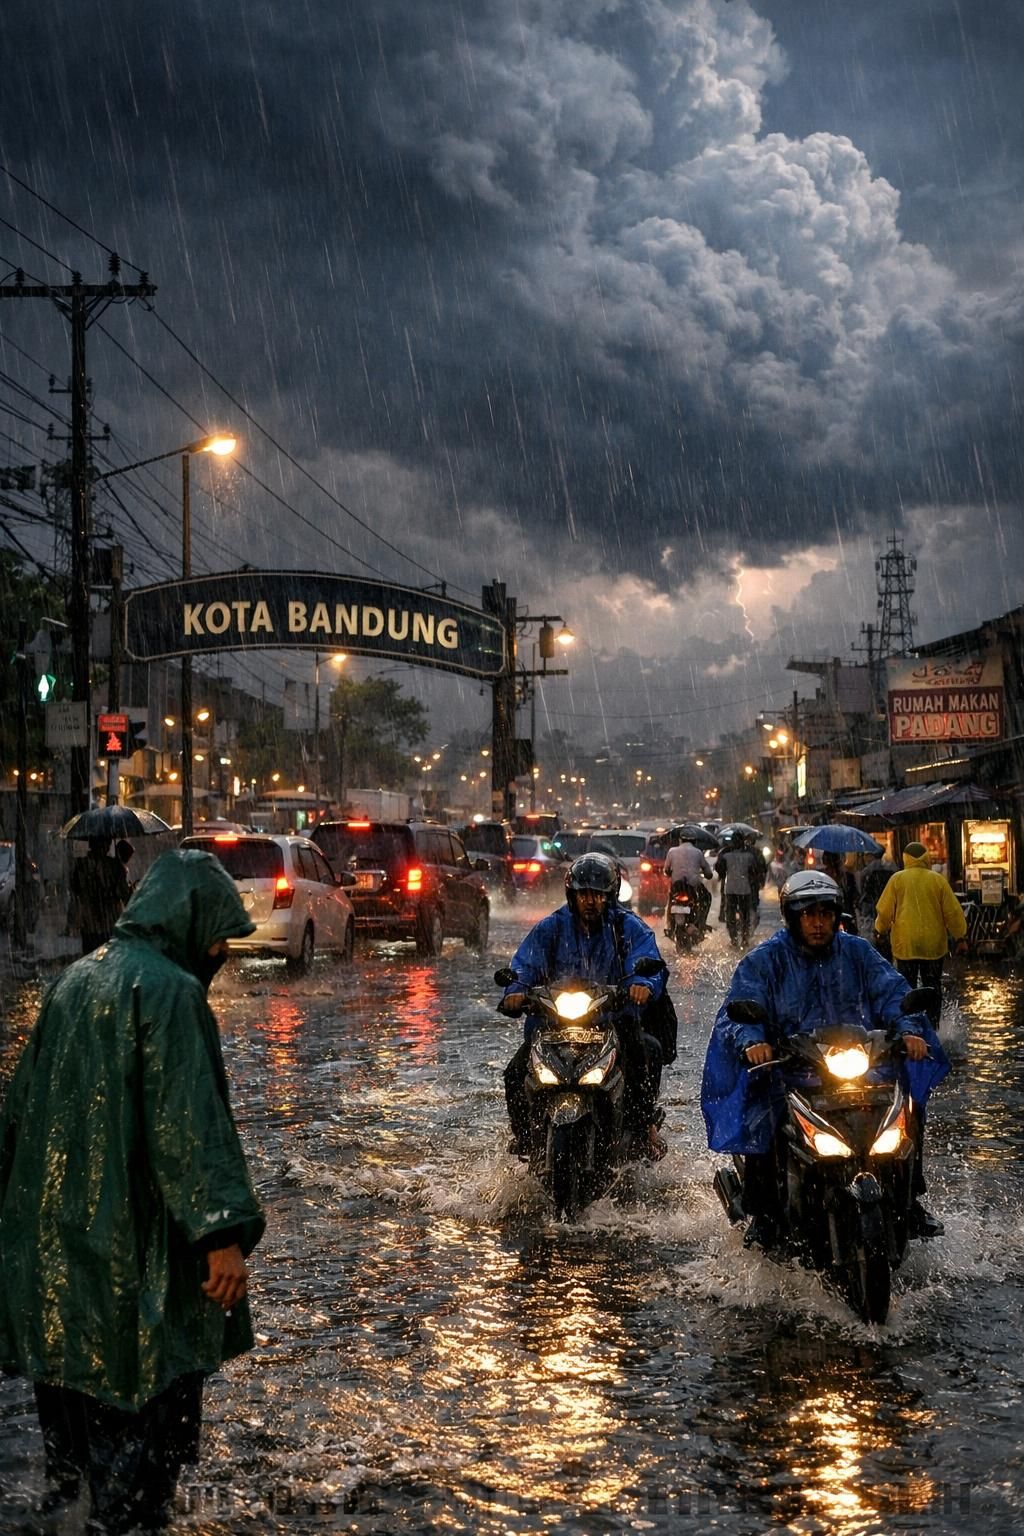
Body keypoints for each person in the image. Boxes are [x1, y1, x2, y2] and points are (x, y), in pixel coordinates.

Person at [0, 850, 265, 1535]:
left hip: (55, 1278)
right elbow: (189, 1126)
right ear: (188, 919)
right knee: (138, 1487)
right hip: (131, 1281)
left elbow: (17, 1117)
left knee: (73, 1477)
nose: (219, 950)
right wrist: (220, 1237)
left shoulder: (69, 985)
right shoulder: (172, 994)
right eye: (218, 933)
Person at [701, 869, 949, 1249]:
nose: (818, 922)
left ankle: (910, 1197)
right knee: (766, 1117)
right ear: (793, 917)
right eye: (808, 914)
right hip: (794, 1073)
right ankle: (764, 1212)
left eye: (825, 914)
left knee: (907, 1111)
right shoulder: (765, 960)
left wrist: (910, 1029)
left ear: (836, 916)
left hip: (862, 1069)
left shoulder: (858, 952)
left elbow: (893, 993)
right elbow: (739, 1010)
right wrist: (754, 1041)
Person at [500, 852, 670, 1160]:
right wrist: (516, 991)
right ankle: (525, 1139)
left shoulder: (627, 927)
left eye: (597, 895)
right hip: (556, 1025)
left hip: (613, 1020)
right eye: (584, 894)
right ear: (572, 895)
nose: (590, 901)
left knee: (648, 1052)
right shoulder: (551, 927)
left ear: (610, 896)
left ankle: (643, 1130)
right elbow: (525, 964)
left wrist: (642, 986)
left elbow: (648, 961)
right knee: (514, 1073)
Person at [874, 841, 967, 1026]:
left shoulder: (897, 880)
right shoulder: (937, 880)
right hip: (933, 946)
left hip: (905, 944)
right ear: (927, 858)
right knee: (933, 986)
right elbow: (953, 912)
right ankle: (933, 1027)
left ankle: (910, 1026)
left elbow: (884, 911)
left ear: (905, 858)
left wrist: (880, 930)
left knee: (907, 987)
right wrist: (961, 937)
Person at [67, 833, 131, 953]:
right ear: (106, 845)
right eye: (108, 842)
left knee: (91, 960)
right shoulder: (114, 866)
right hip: (109, 922)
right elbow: (124, 894)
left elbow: (75, 890)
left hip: (89, 923)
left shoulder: (81, 865)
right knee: (109, 960)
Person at [714, 836, 760, 948]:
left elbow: (719, 869)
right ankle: (744, 939)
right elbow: (755, 871)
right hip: (745, 889)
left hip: (730, 889)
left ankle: (733, 939)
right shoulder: (750, 856)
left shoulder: (726, 856)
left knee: (730, 915)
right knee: (745, 916)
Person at [662, 835, 714, 934]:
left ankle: (669, 924)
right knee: (707, 898)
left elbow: (666, 870)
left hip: (677, 887)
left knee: (670, 899)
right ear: (694, 841)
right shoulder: (698, 852)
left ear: (680, 840)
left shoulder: (672, 851)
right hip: (693, 887)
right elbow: (709, 874)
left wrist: (671, 873)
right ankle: (701, 923)